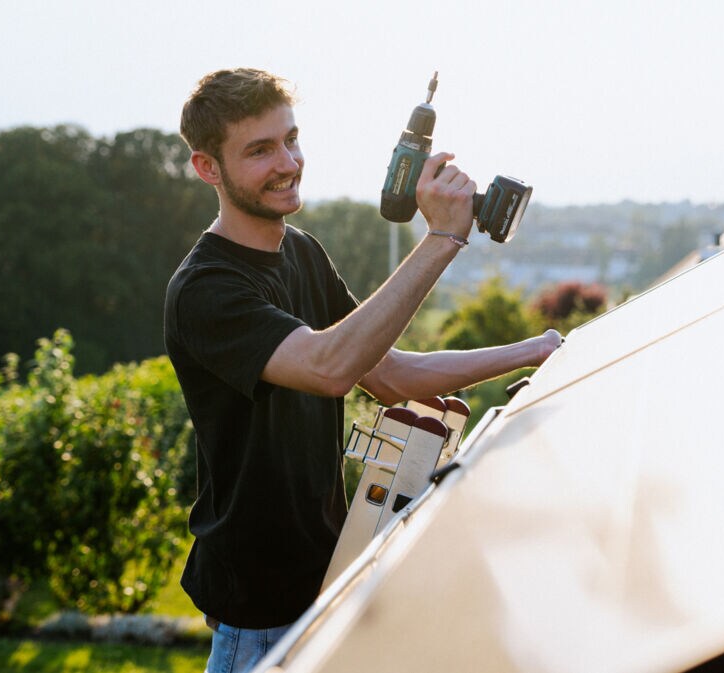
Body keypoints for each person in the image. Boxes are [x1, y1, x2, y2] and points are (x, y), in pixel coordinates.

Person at [164, 68, 562, 673]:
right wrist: (442, 239)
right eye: (260, 150)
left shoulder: (301, 251)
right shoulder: (207, 290)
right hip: (261, 609)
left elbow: (390, 374)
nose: (288, 162)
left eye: (291, 139)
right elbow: (330, 367)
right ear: (206, 168)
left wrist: (535, 352)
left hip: (323, 575)